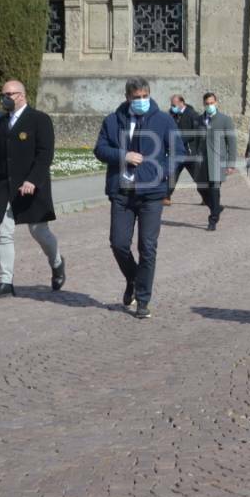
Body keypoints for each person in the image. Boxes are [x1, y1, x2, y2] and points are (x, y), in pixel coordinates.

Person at [95, 77, 180, 319]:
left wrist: (164, 172)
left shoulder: (163, 120)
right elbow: (99, 149)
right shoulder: (113, 120)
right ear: (127, 98)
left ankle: (143, 299)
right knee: (118, 243)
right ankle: (133, 278)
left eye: (145, 96)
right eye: (137, 97)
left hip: (151, 193)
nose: (142, 101)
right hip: (121, 192)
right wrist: (124, 155)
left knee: (147, 247)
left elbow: (178, 152)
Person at [0, 78, 64, 299]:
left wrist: (32, 180)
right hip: (4, 186)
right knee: (3, 233)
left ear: (22, 95)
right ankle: (5, 282)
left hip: (31, 187)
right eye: (3, 95)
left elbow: (45, 154)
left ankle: (57, 262)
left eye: (9, 94)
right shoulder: (0, 124)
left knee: (39, 231)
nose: (5, 99)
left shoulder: (39, 120)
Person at [194, 91, 238, 230]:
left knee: (214, 190)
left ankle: (213, 219)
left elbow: (231, 143)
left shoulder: (225, 120)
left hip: (218, 162)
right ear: (203, 104)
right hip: (202, 162)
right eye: (207, 104)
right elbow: (196, 141)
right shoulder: (199, 120)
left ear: (216, 103)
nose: (209, 105)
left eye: (211, 103)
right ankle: (217, 207)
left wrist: (231, 163)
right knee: (201, 188)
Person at [163, 94, 196, 206]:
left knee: (197, 176)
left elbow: (196, 132)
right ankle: (166, 197)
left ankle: (207, 198)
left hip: (189, 152)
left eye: (174, 105)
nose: (172, 107)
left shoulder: (192, 114)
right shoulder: (171, 114)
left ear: (182, 103)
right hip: (176, 152)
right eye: (171, 105)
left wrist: (181, 139)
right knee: (173, 174)